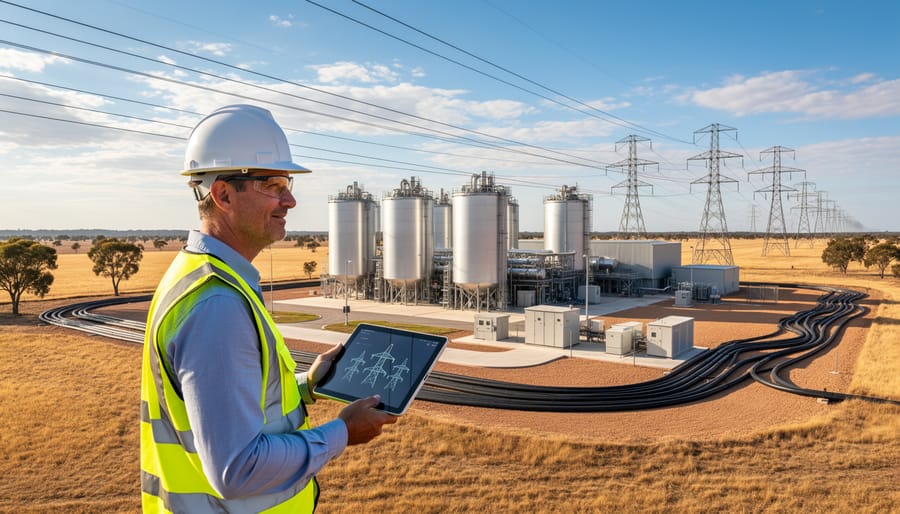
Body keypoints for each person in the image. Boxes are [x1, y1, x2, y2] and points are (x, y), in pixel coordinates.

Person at [140, 104, 396, 513]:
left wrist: (306, 385)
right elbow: (237, 470)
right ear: (223, 194)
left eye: (287, 183)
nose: (290, 200)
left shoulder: (205, 275)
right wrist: (343, 432)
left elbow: (229, 403)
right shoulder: (216, 304)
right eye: (273, 185)